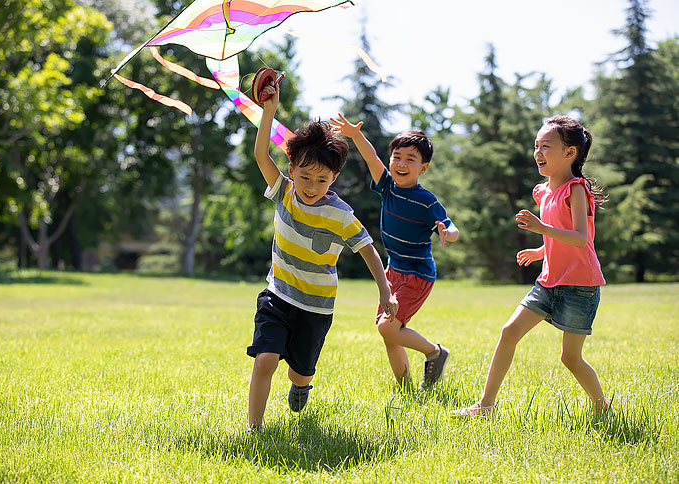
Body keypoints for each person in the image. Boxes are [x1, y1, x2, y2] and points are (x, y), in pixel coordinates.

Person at [247, 84, 398, 429]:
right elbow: (261, 156)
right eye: (304, 177)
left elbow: (367, 250)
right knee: (265, 358)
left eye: (321, 180)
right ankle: (255, 428)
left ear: (334, 178)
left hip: (316, 306)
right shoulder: (284, 191)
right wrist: (269, 111)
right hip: (278, 294)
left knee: (300, 372)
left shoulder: (340, 213)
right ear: (292, 169)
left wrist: (385, 290)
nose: (311, 187)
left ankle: (301, 386)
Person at [452, 115, 610, 417]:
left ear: (569, 153)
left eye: (546, 146)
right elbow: (559, 236)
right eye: (536, 146)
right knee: (509, 331)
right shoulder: (544, 191)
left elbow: (580, 239)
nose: (538, 152)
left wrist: (541, 230)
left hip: (581, 286)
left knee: (570, 359)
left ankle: (602, 407)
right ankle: (486, 405)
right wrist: (542, 251)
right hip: (549, 281)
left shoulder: (576, 190)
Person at [331, 113, 459, 389]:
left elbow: (451, 226)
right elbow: (371, 159)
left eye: (410, 159)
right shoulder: (388, 187)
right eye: (397, 157)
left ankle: (435, 352)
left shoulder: (426, 201)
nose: (401, 164)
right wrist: (355, 136)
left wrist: (448, 232)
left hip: (417, 275)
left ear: (423, 168)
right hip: (393, 272)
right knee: (390, 334)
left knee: (387, 327)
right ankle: (405, 389)